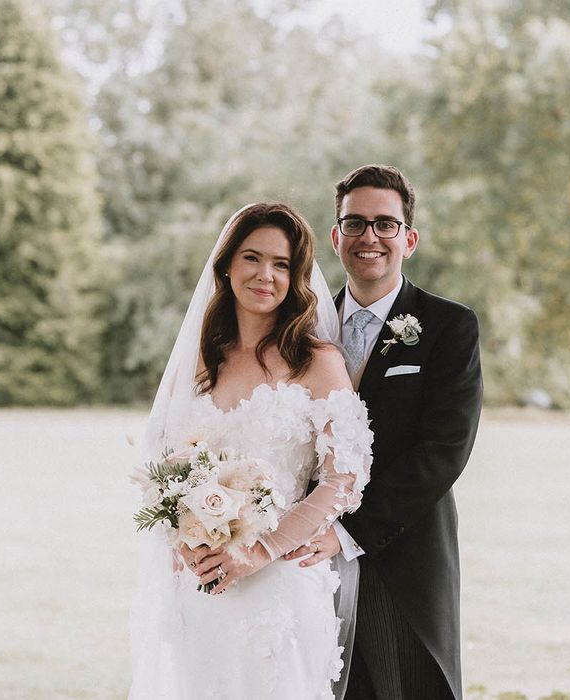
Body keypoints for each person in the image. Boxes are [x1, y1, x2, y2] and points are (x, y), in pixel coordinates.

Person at [128, 203, 373, 700]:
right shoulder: (200, 359)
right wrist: (188, 541)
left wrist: (260, 550)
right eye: (252, 258)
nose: (266, 275)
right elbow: (165, 468)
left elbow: (341, 479)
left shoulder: (317, 362)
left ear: (297, 275)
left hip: (277, 590)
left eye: (282, 264)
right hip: (201, 587)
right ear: (226, 265)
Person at [286, 165, 483, 699]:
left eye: (385, 224)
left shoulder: (449, 327)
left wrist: (348, 535)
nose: (368, 237)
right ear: (336, 237)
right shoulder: (299, 326)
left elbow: (443, 451)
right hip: (301, 563)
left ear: (409, 239)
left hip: (403, 562)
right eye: (355, 223)